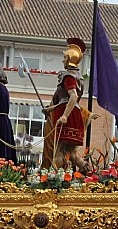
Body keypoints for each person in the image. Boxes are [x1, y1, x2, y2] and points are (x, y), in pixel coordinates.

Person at [41, 38, 90, 172]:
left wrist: (64, 116)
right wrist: (50, 109)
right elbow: (65, 101)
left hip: (68, 115)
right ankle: (86, 168)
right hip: (74, 114)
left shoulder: (68, 76)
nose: (63, 60)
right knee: (70, 152)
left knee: (59, 149)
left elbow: (73, 96)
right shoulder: (78, 76)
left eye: (64, 57)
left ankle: (56, 176)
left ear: (69, 59)